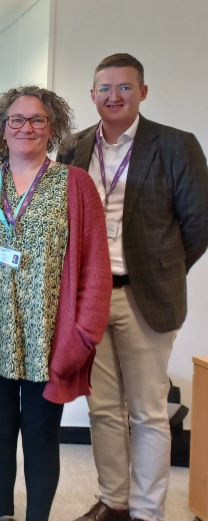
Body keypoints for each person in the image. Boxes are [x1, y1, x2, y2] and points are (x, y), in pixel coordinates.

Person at [0, 85, 112, 521]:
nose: (26, 127)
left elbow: (95, 267)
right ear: (2, 127)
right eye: (16, 119)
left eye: (37, 120)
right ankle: (1, 514)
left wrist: (83, 335)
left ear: (52, 128)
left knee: (40, 438)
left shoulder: (75, 185)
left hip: (49, 339)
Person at [58, 54, 208, 521]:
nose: (114, 96)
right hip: (90, 298)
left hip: (147, 298)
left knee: (147, 411)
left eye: (125, 87)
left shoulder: (176, 145)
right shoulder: (74, 148)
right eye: (105, 88)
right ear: (92, 95)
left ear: (143, 92)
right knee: (101, 409)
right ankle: (113, 501)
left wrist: (163, 269)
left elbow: (199, 223)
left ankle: (147, 511)